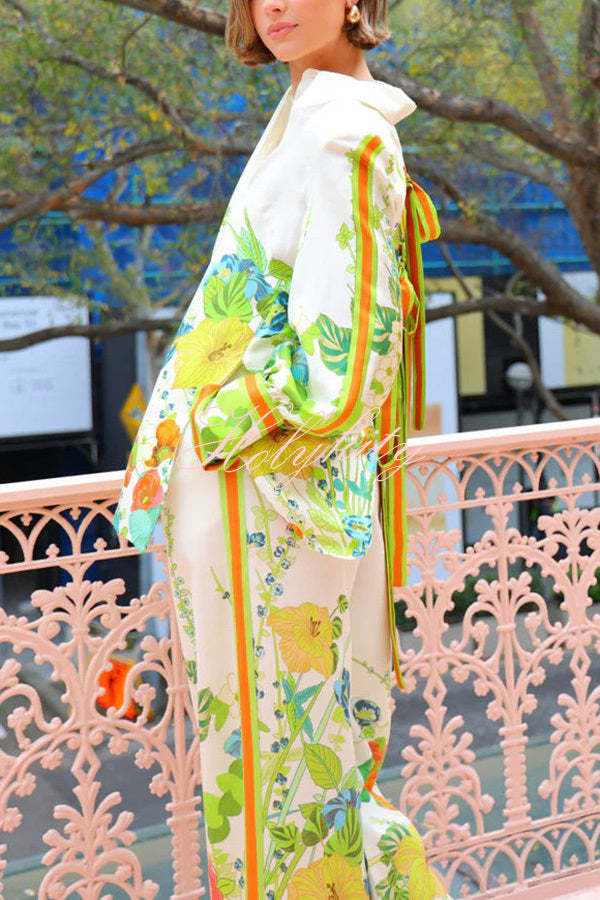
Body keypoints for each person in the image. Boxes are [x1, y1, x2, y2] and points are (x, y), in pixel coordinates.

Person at [112, 0, 450, 897]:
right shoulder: (310, 110)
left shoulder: (343, 131)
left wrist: (218, 423)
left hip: (265, 492)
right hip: (261, 488)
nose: (277, 5)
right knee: (280, 752)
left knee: (275, 761)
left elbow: (349, 352)